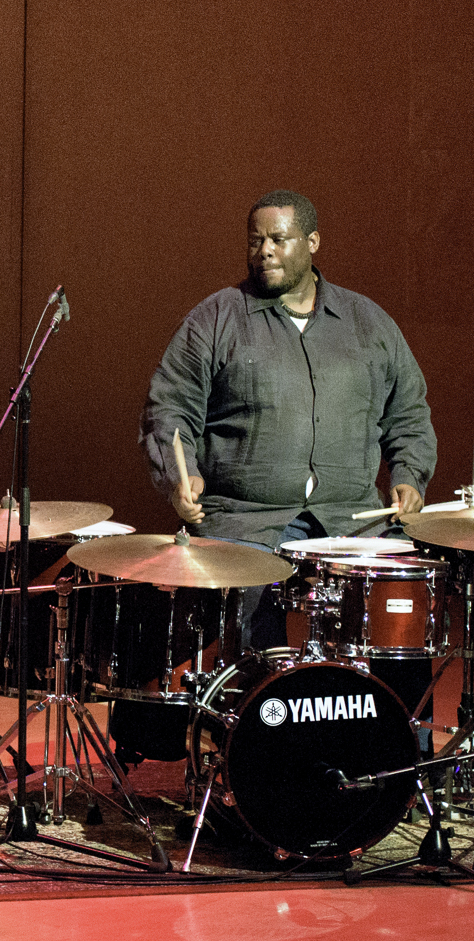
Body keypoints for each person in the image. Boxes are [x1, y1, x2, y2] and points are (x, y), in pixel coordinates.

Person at [140, 190, 436, 649]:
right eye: (256, 241)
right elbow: (169, 407)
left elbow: (409, 411)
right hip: (245, 521)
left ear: (313, 241)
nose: (266, 251)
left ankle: (396, 721)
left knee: (402, 606)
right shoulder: (217, 317)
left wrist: (410, 476)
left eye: (279, 239)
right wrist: (181, 476)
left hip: (352, 521)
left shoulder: (367, 322)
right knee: (252, 610)